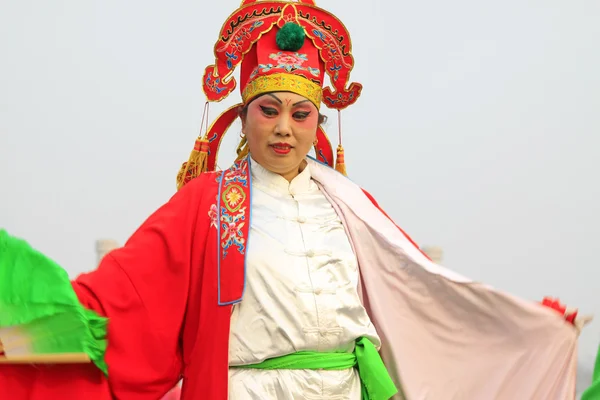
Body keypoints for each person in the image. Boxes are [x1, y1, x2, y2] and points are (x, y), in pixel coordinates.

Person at [0, 1, 589, 399]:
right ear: (244, 116)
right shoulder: (207, 202)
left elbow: (429, 294)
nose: (284, 127)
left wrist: (528, 324)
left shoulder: (350, 204)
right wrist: (26, 322)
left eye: (300, 113)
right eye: (269, 110)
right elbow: (122, 299)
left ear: (316, 121)